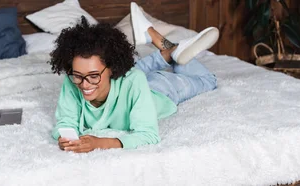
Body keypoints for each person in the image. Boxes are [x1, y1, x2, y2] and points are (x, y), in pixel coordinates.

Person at [49, 2, 220, 153]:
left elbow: (149, 135)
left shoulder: (134, 80)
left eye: (93, 75)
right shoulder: (73, 80)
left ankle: (170, 48)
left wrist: (100, 143)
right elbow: (65, 121)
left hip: (160, 89)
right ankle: (161, 45)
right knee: (129, 74)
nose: (84, 84)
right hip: (125, 83)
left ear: (112, 68)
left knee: (208, 81)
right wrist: (66, 138)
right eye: (78, 75)